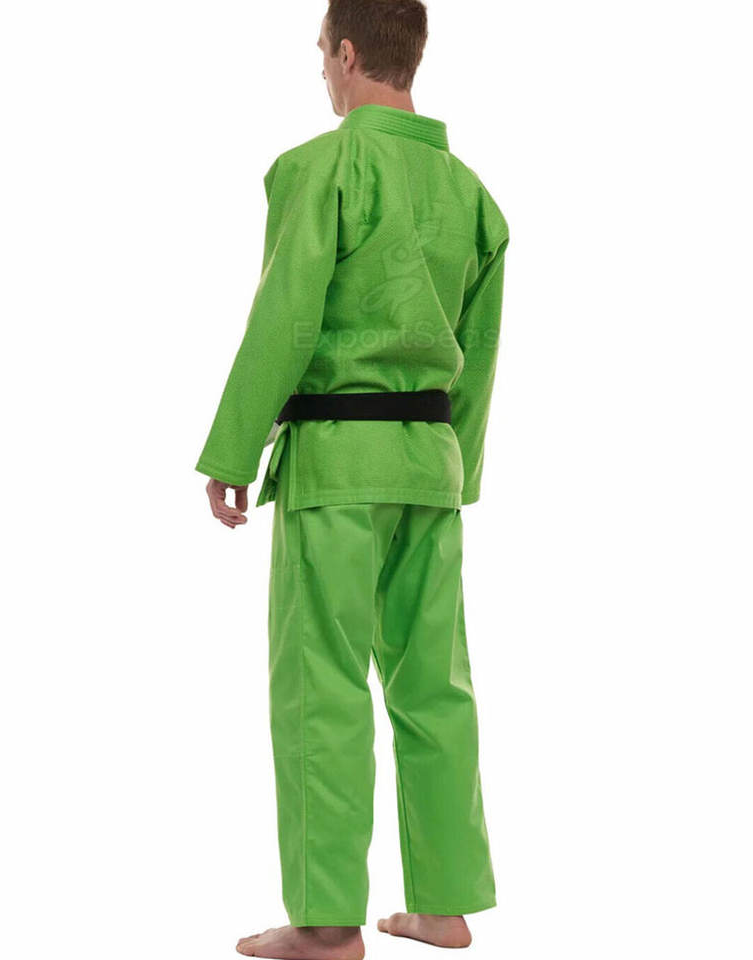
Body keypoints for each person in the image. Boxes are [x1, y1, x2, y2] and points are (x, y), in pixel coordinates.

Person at [196, 2, 508, 957]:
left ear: (345, 53)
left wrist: (233, 450)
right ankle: (444, 906)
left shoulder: (322, 169)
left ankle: (328, 926)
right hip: (429, 465)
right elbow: (480, 349)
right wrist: (460, 471)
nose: (321, 76)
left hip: (336, 465)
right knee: (434, 684)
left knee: (320, 685)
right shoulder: (472, 197)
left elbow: (286, 317)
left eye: (320, 58)